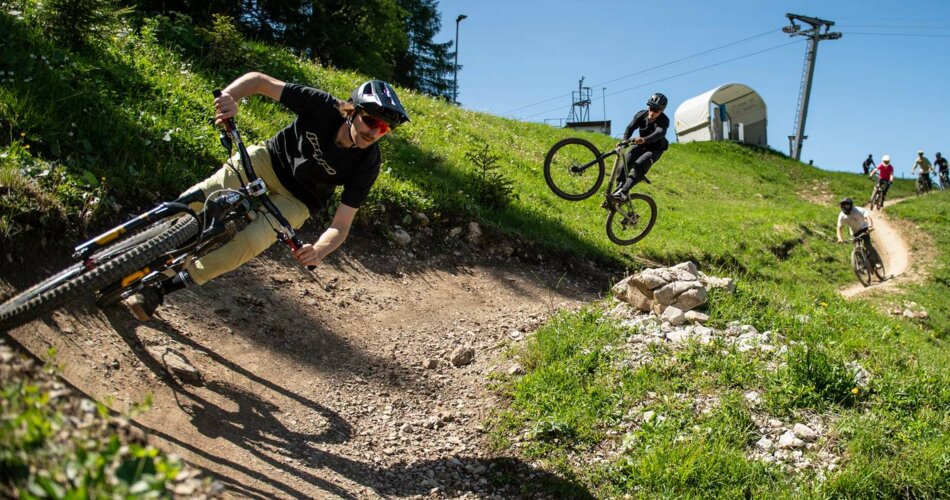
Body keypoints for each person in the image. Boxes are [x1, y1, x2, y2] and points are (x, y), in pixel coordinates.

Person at [126, 72, 410, 320]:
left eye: (384, 128)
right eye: (370, 120)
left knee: (250, 242)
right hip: (267, 161)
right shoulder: (323, 106)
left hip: (298, 200)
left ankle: (159, 290)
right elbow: (260, 81)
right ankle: (138, 239)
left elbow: (341, 225)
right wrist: (229, 98)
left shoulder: (368, 163)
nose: (374, 132)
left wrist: (319, 250)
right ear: (352, 111)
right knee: (201, 195)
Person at [609, 93, 670, 202]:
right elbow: (630, 127)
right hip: (641, 145)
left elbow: (659, 133)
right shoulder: (641, 115)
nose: (652, 113)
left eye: (656, 111)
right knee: (624, 164)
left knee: (640, 164)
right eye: (651, 108)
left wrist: (644, 139)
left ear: (662, 111)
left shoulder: (664, 120)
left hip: (655, 149)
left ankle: (624, 192)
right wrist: (625, 140)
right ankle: (618, 192)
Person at [836, 197, 881, 267]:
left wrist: (870, 227)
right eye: (844, 205)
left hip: (864, 228)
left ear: (851, 205)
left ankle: (876, 261)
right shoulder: (842, 215)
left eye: (847, 205)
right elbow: (839, 227)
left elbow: (868, 217)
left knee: (867, 245)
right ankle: (862, 264)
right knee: (856, 248)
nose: (845, 207)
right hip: (854, 232)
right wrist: (840, 238)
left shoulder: (858, 210)